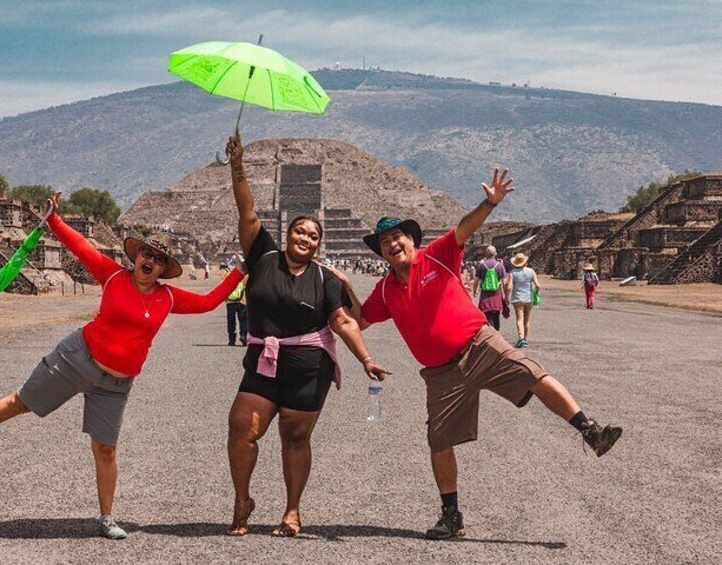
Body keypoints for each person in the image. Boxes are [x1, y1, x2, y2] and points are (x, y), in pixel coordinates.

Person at [0, 192, 245, 540]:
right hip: (76, 358)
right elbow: (81, 247)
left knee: (106, 448)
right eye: (146, 253)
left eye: (158, 259)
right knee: (21, 402)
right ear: (136, 256)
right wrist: (54, 219)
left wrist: (238, 274)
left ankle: (106, 517)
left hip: (115, 384)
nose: (150, 260)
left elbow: (208, 302)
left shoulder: (167, 297)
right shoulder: (112, 275)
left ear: (163, 269)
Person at [333, 168, 622, 540]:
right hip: (440, 373)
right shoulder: (385, 289)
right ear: (381, 251)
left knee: (533, 373)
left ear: (411, 240)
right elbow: (360, 320)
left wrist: (489, 203)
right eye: (384, 241)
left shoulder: (436, 256)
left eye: (397, 236)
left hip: (479, 345)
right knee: (439, 441)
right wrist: (343, 286)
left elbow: (463, 228)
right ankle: (451, 516)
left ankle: (590, 432)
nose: (392, 244)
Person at [224, 134, 390, 537]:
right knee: (241, 429)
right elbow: (246, 209)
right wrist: (238, 165)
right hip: (263, 364)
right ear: (287, 234)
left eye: (313, 235)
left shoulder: (324, 279)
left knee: (295, 439)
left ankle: (292, 512)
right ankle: (242, 499)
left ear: (319, 243)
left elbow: (345, 321)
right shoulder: (262, 256)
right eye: (299, 231)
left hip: (307, 371)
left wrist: (365, 359)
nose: (304, 238)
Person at [506, 252, 540, 348]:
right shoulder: (531, 271)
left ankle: (520, 338)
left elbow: (509, 287)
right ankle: (525, 339)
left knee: (519, 319)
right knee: (527, 319)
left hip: (517, 298)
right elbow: (538, 285)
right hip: (528, 298)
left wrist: (506, 297)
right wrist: (536, 294)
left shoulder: (513, 273)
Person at [472, 246, 506, 330]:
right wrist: (504, 295)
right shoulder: (500, 266)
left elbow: (476, 280)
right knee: (496, 317)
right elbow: (504, 282)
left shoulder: (481, 265)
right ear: (495, 254)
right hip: (496, 296)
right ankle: (496, 335)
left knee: (487, 318)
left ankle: (490, 335)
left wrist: (474, 291)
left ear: (486, 254)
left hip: (485, 296)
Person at [226, 271, 249, 345]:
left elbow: (224, 286)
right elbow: (248, 285)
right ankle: (243, 335)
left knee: (231, 321)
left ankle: (231, 340)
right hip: (242, 301)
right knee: (243, 320)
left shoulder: (227, 273)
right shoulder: (244, 274)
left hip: (230, 301)